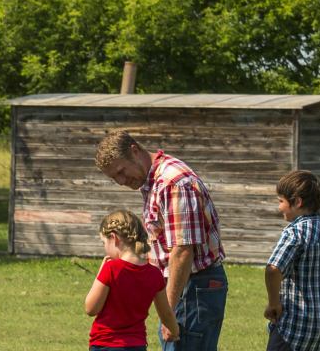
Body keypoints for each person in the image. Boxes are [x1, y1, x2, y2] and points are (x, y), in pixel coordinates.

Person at [95, 131, 227, 351]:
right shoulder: (154, 181)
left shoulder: (173, 182)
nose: (120, 181)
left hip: (193, 287)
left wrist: (169, 312)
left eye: (121, 172)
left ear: (134, 151)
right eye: (113, 178)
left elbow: (183, 250)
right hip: (185, 286)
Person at [264, 170, 320, 351]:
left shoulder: (295, 233)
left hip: (296, 328)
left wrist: (273, 303)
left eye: (281, 201)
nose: (279, 208)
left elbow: (273, 269)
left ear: (298, 202)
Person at [85, 210, 179, 351]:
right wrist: (175, 331)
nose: (104, 248)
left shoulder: (111, 268)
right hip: (136, 345)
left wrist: (101, 271)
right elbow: (166, 313)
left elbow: (91, 308)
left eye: (103, 242)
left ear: (114, 238)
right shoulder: (155, 274)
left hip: (106, 344)